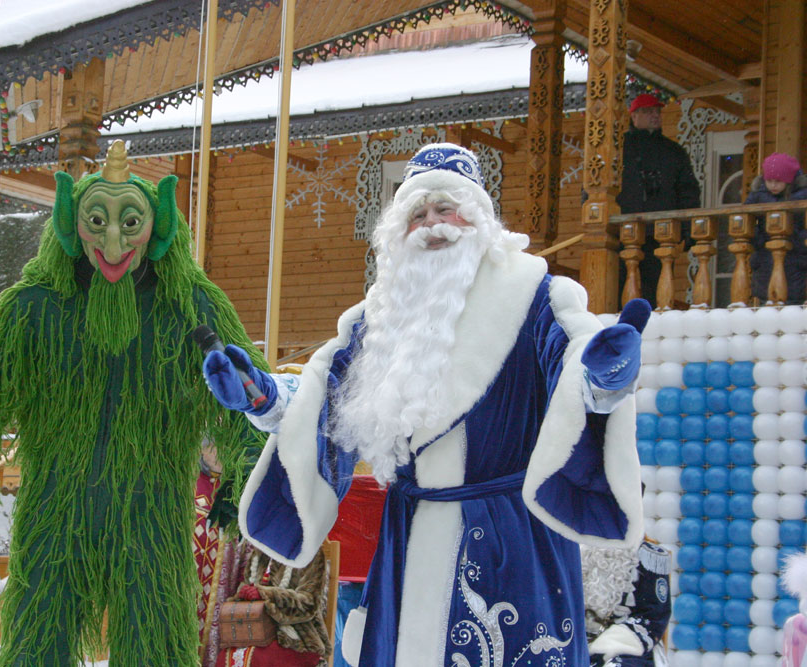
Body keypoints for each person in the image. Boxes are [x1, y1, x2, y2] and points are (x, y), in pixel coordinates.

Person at [203, 143, 649, 666]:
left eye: (445, 209)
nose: (433, 225)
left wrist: (606, 378)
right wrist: (263, 394)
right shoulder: (381, 317)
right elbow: (327, 395)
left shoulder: (538, 298)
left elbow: (577, 367)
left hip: (510, 545)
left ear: (479, 219)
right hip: (408, 541)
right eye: (418, 213)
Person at [0, 140, 265, 666]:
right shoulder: (34, 309)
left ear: (158, 226)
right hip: (54, 510)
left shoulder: (190, 308)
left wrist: (245, 477)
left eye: (130, 222)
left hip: (152, 514)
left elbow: (246, 395)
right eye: (97, 220)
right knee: (37, 645)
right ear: (71, 224)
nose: (115, 240)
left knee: (156, 649)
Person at [618, 93, 702, 306]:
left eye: (657, 111)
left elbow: (688, 192)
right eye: (648, 111)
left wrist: (687, 230)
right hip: (623, 234)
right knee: (621, 290)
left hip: (661, 234)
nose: (655, 116)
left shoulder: (673, 152)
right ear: (634, 116)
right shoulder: (619, 149)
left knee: (656, 291)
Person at [581, 539, 671, 666]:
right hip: (576, 642)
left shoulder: (648, 555)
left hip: (626, 646)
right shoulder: (571, 550)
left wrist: (607, 643)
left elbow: (653, 616)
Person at [744, 151, 807, 304]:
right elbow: (748, 220)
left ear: (789, 180)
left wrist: (798, 238)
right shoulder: (758, 196)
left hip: (795, 256)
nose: (773, 185)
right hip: (765, 256)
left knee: (793, 301)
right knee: (766, 297)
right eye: (769, 180)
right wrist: (758, 239)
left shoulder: (801, 196)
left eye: (778, 181)